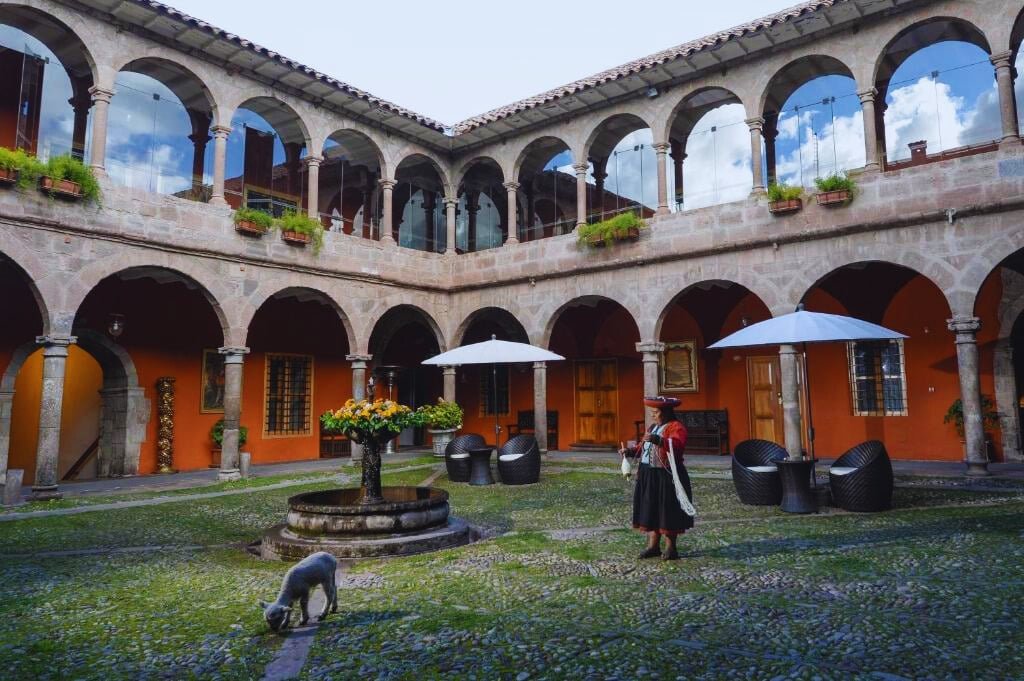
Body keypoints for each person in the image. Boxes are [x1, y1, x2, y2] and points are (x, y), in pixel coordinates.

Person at [620, 396, 694, 560]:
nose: (653, 415)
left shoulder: (676, 427)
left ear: (666, 412)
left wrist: (660, 441)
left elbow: (677, 446)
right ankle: (653, 547)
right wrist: (630, 452)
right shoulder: (653, 427)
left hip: (666, 476)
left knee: (667, 511)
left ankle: (671, 548)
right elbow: (642, 447)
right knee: (651, 509)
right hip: (648, 474)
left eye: (656, 412)